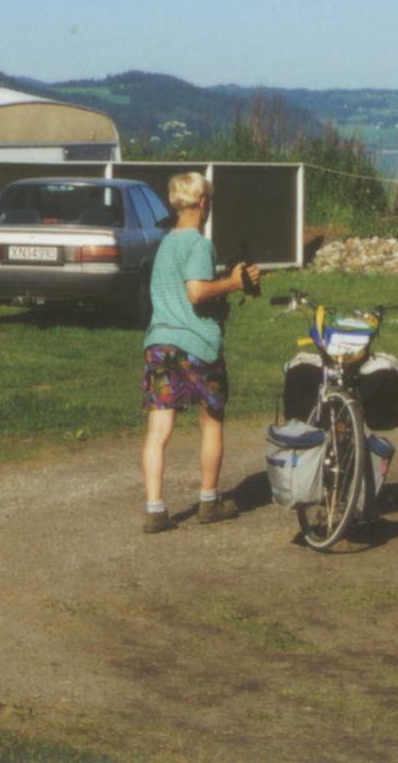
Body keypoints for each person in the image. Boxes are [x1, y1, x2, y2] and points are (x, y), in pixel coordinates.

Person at [140, 172, 261, 534]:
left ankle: (155, 509)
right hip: (198, 347)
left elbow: (182, 290)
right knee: (211, 419)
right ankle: (209, 501)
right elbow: (196, 292)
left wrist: (221, 283)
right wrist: (235, 282)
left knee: (159, 427)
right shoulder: (199, 244)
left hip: (159, 343)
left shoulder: (164, 245)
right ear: (204, 203)